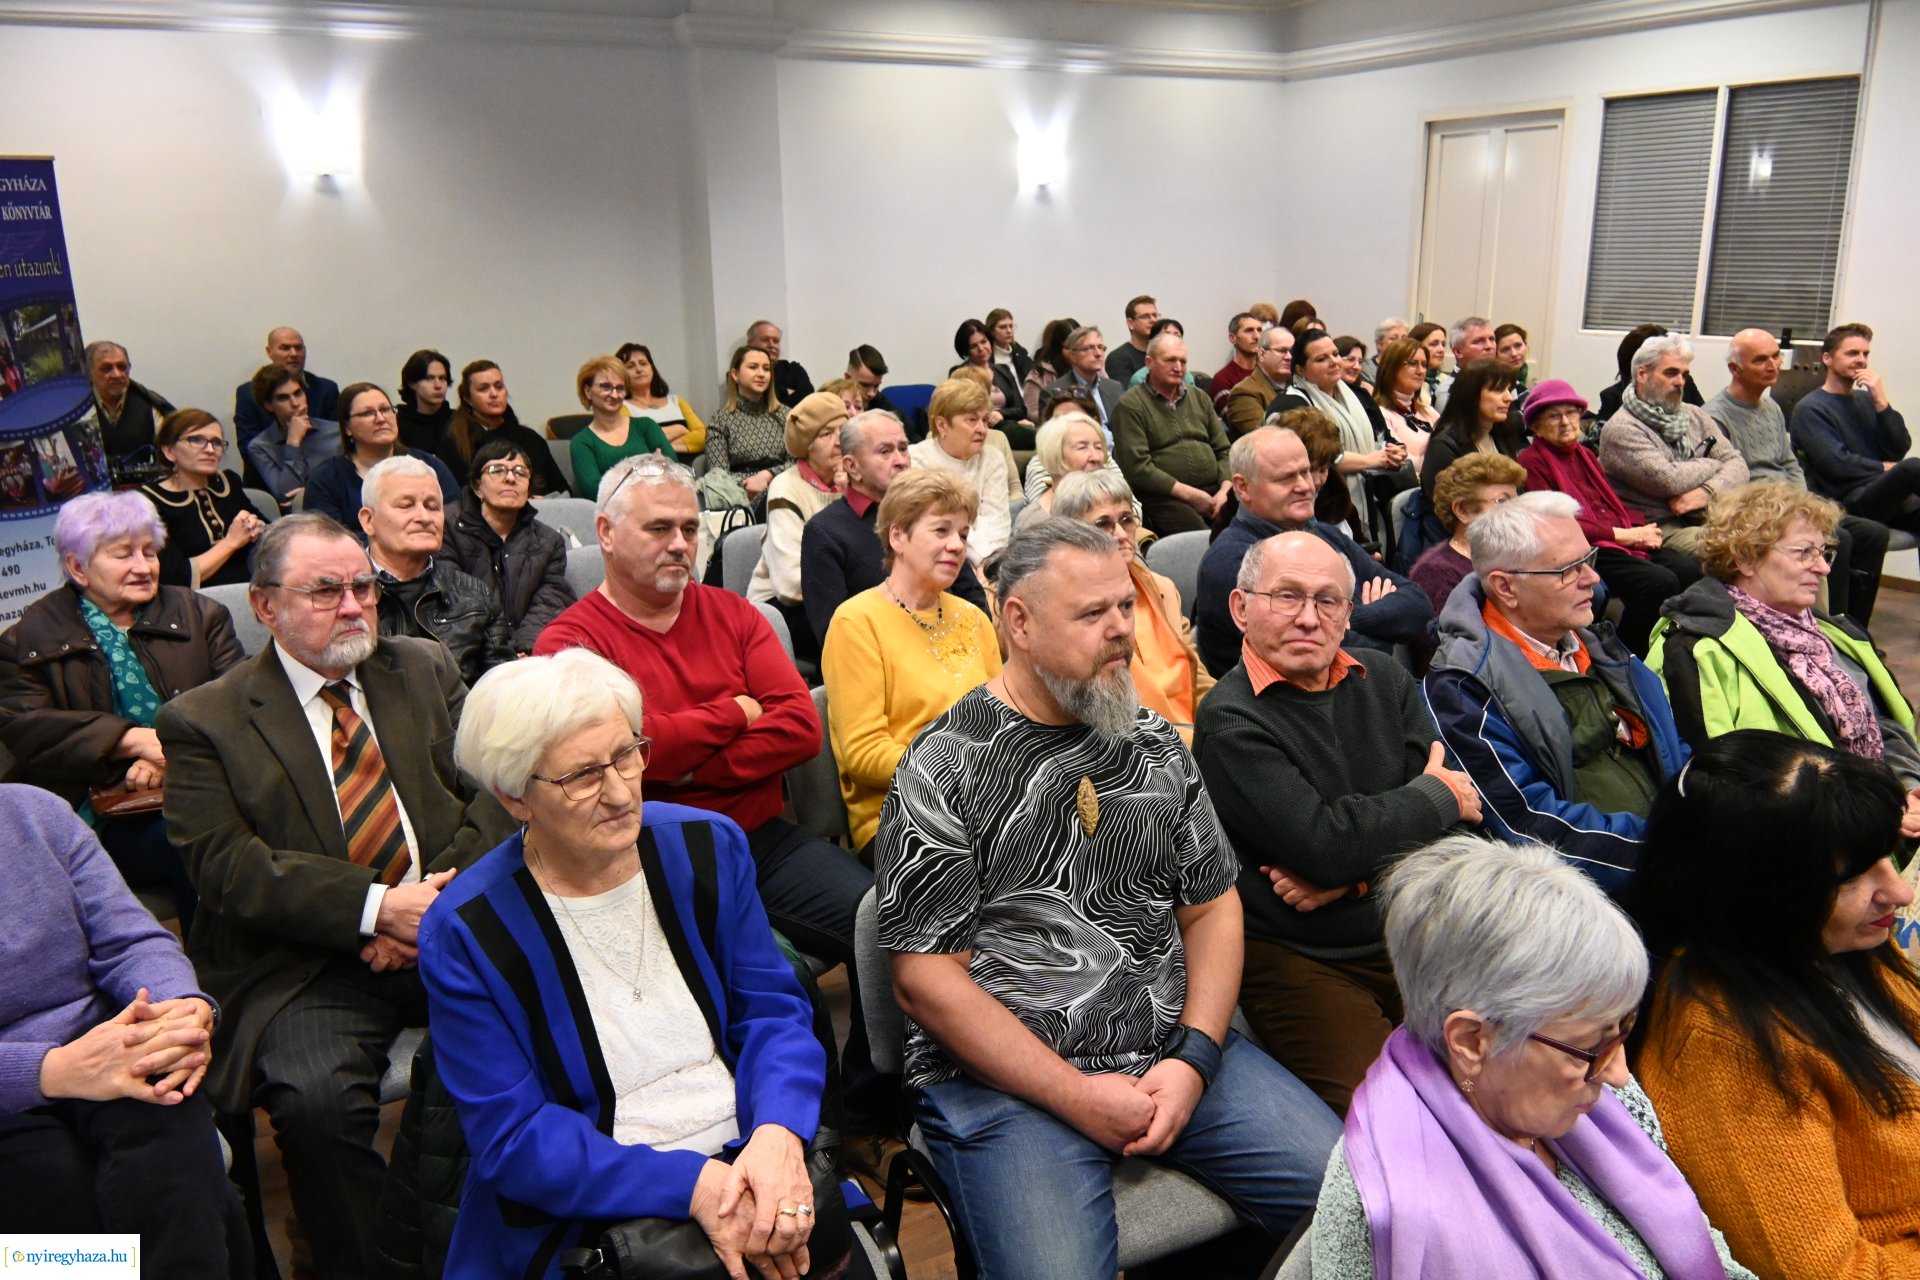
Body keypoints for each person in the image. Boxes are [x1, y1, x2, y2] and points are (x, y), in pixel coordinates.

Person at [877, 518, 1341, 1280]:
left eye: (1124, 607)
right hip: (1008, 1082)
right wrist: (1080, 1097)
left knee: (1358, 1204)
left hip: (1166, 1049)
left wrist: (1194, 1056)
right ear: (1017, 621)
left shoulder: (1152, 743)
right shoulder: (945, 766)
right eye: (1092, 614)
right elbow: (925, 980)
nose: (1122, 630)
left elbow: (1212, 906)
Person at [155, 512, 516, 1280]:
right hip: (304, 963)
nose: (354, 606)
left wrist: (427, 906)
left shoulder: (421, 667)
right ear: (264, 605)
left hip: (447, 925)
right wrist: (378, 909)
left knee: (555, 1026)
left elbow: (491, 794)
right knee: (317, 1106)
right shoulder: (205, 720)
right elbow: (226, 867)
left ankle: (514, 1241)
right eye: (326, 592)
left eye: (362, 587)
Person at [419, 648, 843, 1280]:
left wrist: (778, 1133)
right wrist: (694, 1186)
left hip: (753, 1148)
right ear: (514, 797)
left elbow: (775, 1013)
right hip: (598, 1200)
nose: (620, 792)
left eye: (627, 754)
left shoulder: (706, 845)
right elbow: (515, 1138)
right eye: (583, 775)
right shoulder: (467, 928)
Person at [532, 454, 886, 1141]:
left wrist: (671, 761)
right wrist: (730, 715)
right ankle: (812, 1142)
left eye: (690, 528)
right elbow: (612, 766)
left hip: (760, 837)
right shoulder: (570, 643)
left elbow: (798, 730)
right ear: (604, 532)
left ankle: (868, 1111)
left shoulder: (735, 615)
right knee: (785, 981)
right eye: (659, 527)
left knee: (886, 925)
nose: (680, 544)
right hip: (649, 861)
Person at [1311, 834, 1758, 1279]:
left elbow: (1715, 1259)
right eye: (1591, 1047)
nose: (1620, 1074)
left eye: (1623, 1029)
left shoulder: (1604, 1099)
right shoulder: (1382, 1207)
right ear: (1471, 1041)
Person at [1194, 531, 1478, 1113]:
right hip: (1304, 957)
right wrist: (1428, 801)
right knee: (1397, 1123)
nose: (1308, 618)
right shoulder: (1229, 718)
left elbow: (1456, 830)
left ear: (1349, 615)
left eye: (1328, 601)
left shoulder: (1385, 679)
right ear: (1240, 608)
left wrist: (1352, 878)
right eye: (1287, 596)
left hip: (1408, 925)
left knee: (1500, 1081)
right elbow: (1325, 844)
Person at [1636, 731, 1920, 1278]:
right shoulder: (1725, 1046)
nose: (1899, 891)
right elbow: (1821, 1270)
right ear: (1759, 892)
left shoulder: (1835, 948)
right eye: (1853, 876)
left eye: (1884, 857)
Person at [0, 785, 247, 1277]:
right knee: (69, 1202)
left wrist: (177, 1005)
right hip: (19, 1082)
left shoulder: (34, 812)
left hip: (105, 1046)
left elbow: (130, 936)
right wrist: (51, 1070)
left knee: (175, 1138)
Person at [0, 490, 245, 934]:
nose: (143, 565)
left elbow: (241, 702)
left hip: (208, 783)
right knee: (194, 840)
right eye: (122, 554)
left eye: (149, 551)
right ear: (78, 567)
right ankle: (217, 982)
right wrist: (130, 740)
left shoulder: (200, 613)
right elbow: (26, 729)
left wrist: (170, 756)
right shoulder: (27, 639)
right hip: (99, 812)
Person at [1425, 492, 1689, 893]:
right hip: (1600, 897)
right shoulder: (1463, 686)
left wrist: (1709, 809)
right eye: (1568, 569)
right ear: (1506, 587)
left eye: (1589, 559)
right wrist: (1671, 851)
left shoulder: (1597, 644)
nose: (1593, 579)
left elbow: (1672, 747)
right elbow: (1527, 824)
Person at [1650, 482, 1920, 798]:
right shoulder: (1696, 650)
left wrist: (1908, 787)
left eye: (1824, 553)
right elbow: (1726, 787)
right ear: (1744, 558)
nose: (1822, 568)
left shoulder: (1831, 633)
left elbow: (1883, 725)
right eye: (1804, 552)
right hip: (1803, 836)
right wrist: (1868, 821)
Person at [822, 470, 999, 856]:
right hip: (900, 816)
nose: (957, 546)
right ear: (898, 536)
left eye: (964, 535)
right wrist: (965, 774)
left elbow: (1006, 723)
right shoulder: (857, 622)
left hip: (987, 803)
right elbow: (864, 755)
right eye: (941, 531)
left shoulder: (973, 618)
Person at [1197, 426, 1431, 678]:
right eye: (1286, 478)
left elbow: (1418, 606)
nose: (1306, 486)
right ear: (1242, 487)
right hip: (1277, 710)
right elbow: (1345, 655)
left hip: (1356, 697)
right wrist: (1376, 620)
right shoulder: (1230, 561)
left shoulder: (1325, 535)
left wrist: (1347, 616)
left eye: (1306, 472)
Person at [1708, 327, 1887, 624]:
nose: (1773, 365)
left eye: (1776, 356)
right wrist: (1787, 508)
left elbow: (1790, 463)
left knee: (1872, 534)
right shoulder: (1716, 415)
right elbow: (1735, 479)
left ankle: (1854, 628)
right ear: (1734, 369)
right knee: (1836, 538)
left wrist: (1799, 503)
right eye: (1760, 360)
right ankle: (1828, 626)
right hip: (1756, 509)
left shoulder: (1772, 408)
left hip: (1788, 503)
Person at [1518, 379, 1703, 655]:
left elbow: (1610, 504)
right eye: (1554, 416)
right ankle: (1626, 651)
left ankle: (1670, 644)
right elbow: (1559, 522)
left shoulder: (1586, 454)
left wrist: (1641, 528)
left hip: (1618, 536)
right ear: (1535, 426)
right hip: (1584, 548)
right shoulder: (1532, 462)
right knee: (1658, 581)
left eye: (1571, 413)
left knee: (1688, 568)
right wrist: (1625, 536)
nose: (1566, 422)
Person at [800, 409, 989, 650]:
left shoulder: (931, 517)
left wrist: (961, 653)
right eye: (885, 451)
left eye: (903, 448)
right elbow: (835, 637)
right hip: (882, 667)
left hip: (955, 653)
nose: (901, 460)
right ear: (852, 466)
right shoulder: (825, 532)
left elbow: (972, 598)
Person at [1055, 469, 1213, 742]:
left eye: (1126, 519)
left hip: (1193, 732)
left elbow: (1195, 673)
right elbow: (1101, 714)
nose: (1119, 533)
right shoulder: (1068, 608)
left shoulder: (1161, 588)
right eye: (1103, 524)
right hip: (1135, 744)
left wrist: (1228, 718)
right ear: (1070, 534)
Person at [359, 455, 512, 684]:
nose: (423, 517)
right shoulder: (345, 598)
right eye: (405, 505)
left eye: (433, 507)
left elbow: (504, 688)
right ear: (368, 520)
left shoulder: (475, 595)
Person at [1599, 334, 1750, 556]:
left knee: (1790, 546)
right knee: (1742, 550)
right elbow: (1669, 480)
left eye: (1684, 374)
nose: (1680, 382)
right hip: (1659, 525)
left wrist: (1707, 491)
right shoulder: (1622, 428)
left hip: (1710, 514)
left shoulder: (1695, 415)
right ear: (1642, 374)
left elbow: (1738, 464)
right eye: (1671, 373)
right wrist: (1712, 464)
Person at [445, 437, 575, 656]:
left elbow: (548, 601)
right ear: (477, 486)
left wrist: (527, 645)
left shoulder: (549, 541)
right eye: (497, 470)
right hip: (469, 651)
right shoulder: (447, 528)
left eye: (520, 472)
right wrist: (498, 651)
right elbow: (454, 595)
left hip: (530, 652)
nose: (510, 478)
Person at [1791, 321, 1918, 534]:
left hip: (1883, 493)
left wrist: (1881, 403)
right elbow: (1837, 465)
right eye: (1852, 353)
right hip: (1849, 501)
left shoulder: (1867, 400)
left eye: (1865, 354)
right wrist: (1885, 468)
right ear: (1827, 359)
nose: (1861, 360)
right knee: (1913, 467)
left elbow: (1898, 449)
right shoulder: (1810, 408)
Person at [747, 392, 846, 658]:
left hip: (837, 595)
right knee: (858, 637)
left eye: (844, 430)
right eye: (827, 434)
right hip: (784, 607)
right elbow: (790, 585)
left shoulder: (854, 481)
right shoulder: (786, 488)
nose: (840, 441)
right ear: (807, 446)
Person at [1112, 332, 1233, 535]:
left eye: (1183, 361)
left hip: (1216, 491)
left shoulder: (1200, 397)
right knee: (1200, 539)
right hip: (1166, 498)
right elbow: (1138, 468)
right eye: (1170, 360)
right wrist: (1190, 494)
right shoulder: (1130, 405)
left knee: (1249, 529)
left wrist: (1225, 491)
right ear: (1149, 362)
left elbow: (1224, 450)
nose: (1178, 368)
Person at [1292, 330, 1406, 536]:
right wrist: (1373, 460)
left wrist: (1394, 451)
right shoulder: (1294, 404)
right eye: (1321, 359)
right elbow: (1324, 458)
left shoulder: (1358, 394)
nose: (1334, 362)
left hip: (1370, 492)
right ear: (1301, 370)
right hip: (1325, 504)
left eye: (1335, 354)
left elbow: (1384, 435)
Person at [139, 408, 268, 588]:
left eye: (217, 442)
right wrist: (232, 542)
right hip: (193, 601)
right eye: (197, 440)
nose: (210, 449)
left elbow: (268, 529)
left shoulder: (228, 482)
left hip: (252, 586)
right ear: (170, 451)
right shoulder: (150, 501)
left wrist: (257, 527)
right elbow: (176, 576)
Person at [304, 382, 463, 527]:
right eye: (367, 413)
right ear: (347, 428)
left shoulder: (429, 466)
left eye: (386, 409)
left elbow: (456, 520)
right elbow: (329, 539)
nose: (380, 419)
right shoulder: (326, 478)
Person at [907, 377, 1012, 563]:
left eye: (985, 420)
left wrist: (984, 567)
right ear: (942, 425)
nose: (982, 429)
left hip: (989, 564)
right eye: (972, 420)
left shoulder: (992, 459)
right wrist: (971, 564)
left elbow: (998, 525)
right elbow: (936, 528)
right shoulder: (916, 459)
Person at [1412, 451, 1526, 614]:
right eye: (1502, 501)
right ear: (1463, 510)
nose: (1516, 511)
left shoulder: (1517, 556)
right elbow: (1451, 637)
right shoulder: (1436, 574)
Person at [438, 360, 570, 497]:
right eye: (484, 389)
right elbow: (454, 498)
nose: (494, 394)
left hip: (541, 513)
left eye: (499, 386)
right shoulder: (455, 442)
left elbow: (564, 490)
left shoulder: (531, 438)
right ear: (467, 398)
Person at [569, 355, 674, 501]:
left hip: (661, 504)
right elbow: (596, 492)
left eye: (620, 388)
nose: (614, 394)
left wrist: (618, 479)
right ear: (588, 391)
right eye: (606, 387)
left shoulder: (646, 426)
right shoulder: (581, 443)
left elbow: (674, 471)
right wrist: (649, 469)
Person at [1419, 357, 1524, 502]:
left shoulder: (1501, 435)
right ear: (1471, 394)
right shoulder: (1443, 446)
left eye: (1509, 389)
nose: (1509, 398)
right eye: (1498, 390)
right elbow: (1447, 510)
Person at [244, 361, 342, 509]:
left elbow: (352, 483)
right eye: (283, 398)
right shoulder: (260, 446)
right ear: (268, 405)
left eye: (298, 393)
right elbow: (286, 495)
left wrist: (311, 492)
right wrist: (293, 443)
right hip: (299, 520)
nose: (295, 403)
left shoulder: (337, 431)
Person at [232, 326, 340, 458]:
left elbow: (337, 441)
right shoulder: (247, 394)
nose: (294, 354)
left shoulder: (326, 389)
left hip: (323, 472)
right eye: (285, 348)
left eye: (298, 348)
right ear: (269, 351)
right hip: (268, 471)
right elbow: (247, 448)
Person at [707, 345, 791, 507]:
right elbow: (718, 476)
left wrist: (768, 475)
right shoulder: (720, 420)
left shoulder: (786, 415)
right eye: (753, 367)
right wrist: (753, 482)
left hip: (784, 487)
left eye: (766, 369)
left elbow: (799, 462)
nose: (761, 374)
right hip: (742, 495)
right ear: (735, 374)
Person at [84, 340, 174, 464]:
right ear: (88, 372)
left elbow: (171, 453)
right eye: (106, 368)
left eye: (122, 367)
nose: (116, 374)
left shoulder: (149, 405)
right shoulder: (77, 408)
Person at [1018, 410, 1123, 517]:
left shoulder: (1113, 503)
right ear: (1056, 456)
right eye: (1082, 447)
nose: (1095, 457)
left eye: (1098, 447)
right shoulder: (1037, 521)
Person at [1596, 324, 1706, 424]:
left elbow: (1704, 421)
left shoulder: (1685, 384)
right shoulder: (1613, 398)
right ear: (1641, 371)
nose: (1679, 381)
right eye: (1670, 373)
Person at [617, 341, 706, 460]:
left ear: (652, 369)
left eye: (643, 363)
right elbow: (636, 444)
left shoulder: (677, 401)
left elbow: (703, 436)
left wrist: (666, 448)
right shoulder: (622, 407)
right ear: (621, 375)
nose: (639, 369)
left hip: (691, 469)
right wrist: (680, 429)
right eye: (630, 366)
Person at [952, 319, 1033, 447]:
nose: (981, 349)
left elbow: (1021, 409)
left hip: (1007, 424)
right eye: (973, 346)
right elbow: (964, 411)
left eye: (984, 342)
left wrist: (1001, 414)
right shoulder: (960, 374)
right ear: (966, 350)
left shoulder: (1003, 370)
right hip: (981, 429)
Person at [1373, 335, 1438, 465]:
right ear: (1392, 368)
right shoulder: (1380, 414)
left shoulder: (1428, 411)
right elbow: (1404, 461)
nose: (1421, 371)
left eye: (1424, 365)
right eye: (1413, 364)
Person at [1224, 323, 1296, 438]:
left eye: (1292, 352)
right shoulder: (1244, 393)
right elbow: (1269, 437)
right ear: (1262, 354)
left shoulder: (1299, 385)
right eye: (1282, 351)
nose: (1289, 357)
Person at [1431, 316, 1496, 412]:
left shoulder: (1505, 383)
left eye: (1491, 339)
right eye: (1479, 341)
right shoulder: (1449, 392)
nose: (1489, 346)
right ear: (1458, 352)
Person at [394, 348, 453, 454]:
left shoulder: (460, 421)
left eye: (442, 378)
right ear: (412, 383)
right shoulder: (397, 424)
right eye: (429, 378)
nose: (438, 385)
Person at [746, 319, 813, 408]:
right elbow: (754, 399)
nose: (772, 345)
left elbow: (809, 398)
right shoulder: (741, 371)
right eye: (765, 340)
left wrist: (774, 394)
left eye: (776, 341)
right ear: (750, 343)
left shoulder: (793, 369)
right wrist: (786, 391)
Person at [1023, 316, 1080, 421]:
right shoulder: (1039, 374)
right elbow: (1032, 412)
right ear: (1061, 346)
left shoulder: (1090, 368)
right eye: (1071, 345)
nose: (1077, 350)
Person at [1211, 311, 1264, 410]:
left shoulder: (1268, 371)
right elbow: (1237, 421)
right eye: (1249, 330)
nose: (1257, 336)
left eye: (1259, 330)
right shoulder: (1223, 379)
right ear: (1233, 338)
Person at [1105, 294, 1158, 383]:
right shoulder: (1118, 358)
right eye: (1146, 316)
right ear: (1131, 323)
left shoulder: (1162, 355)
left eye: (1155, 315)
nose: (1153, 320)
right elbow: (1127, 395)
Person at [984, 307, 1033, 382]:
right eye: (1003, 327)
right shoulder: (986, 358)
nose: (1009, 331)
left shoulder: (1021, 354)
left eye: (1011, 326)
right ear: (991, 331)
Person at [1410, 321, 1449, 407]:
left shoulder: (1448, 381)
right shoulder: (1408, 384)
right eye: (1434, 344)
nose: (1441, 349)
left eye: (1443, 344)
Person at [1365, 317, 1408, 385]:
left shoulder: (1409, 370)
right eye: (1394, 338)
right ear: (1379, 344)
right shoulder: (1367, 372)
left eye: (1404, 338)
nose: (1400, 342)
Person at [1494, 321, 1532, 397]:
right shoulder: (1493, 385)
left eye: (1518, 346)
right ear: (1495, 354)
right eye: (1505, 349)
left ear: (1526, 346)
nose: (1514, 354)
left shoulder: (1534, 384)